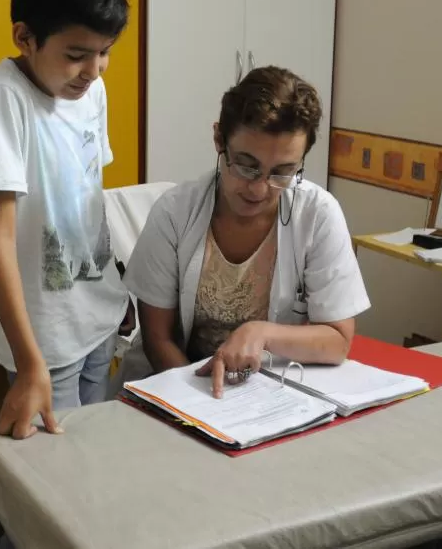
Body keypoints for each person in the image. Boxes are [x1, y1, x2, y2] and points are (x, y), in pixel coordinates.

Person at [0, 0, 134, 443]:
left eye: (105, 52)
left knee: (93, 459)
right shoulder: (3, 97)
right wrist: (27, 361)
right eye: (77, 55)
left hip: (97, 315)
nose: (95, 69)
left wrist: (118, 290)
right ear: (25, 37)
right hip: (45, 336)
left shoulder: (93, 90)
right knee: (51, 479)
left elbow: (88, 199)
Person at [118, 66, 371, 396]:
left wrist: (262, 333)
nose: (260, 188)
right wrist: (198, 401)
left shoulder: (317, 214)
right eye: (246, 165)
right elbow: (158, 338)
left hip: (263, 391)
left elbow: (338, 340)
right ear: (218, 140)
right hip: (172, 383)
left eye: (282, 172)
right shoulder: (174, 211)